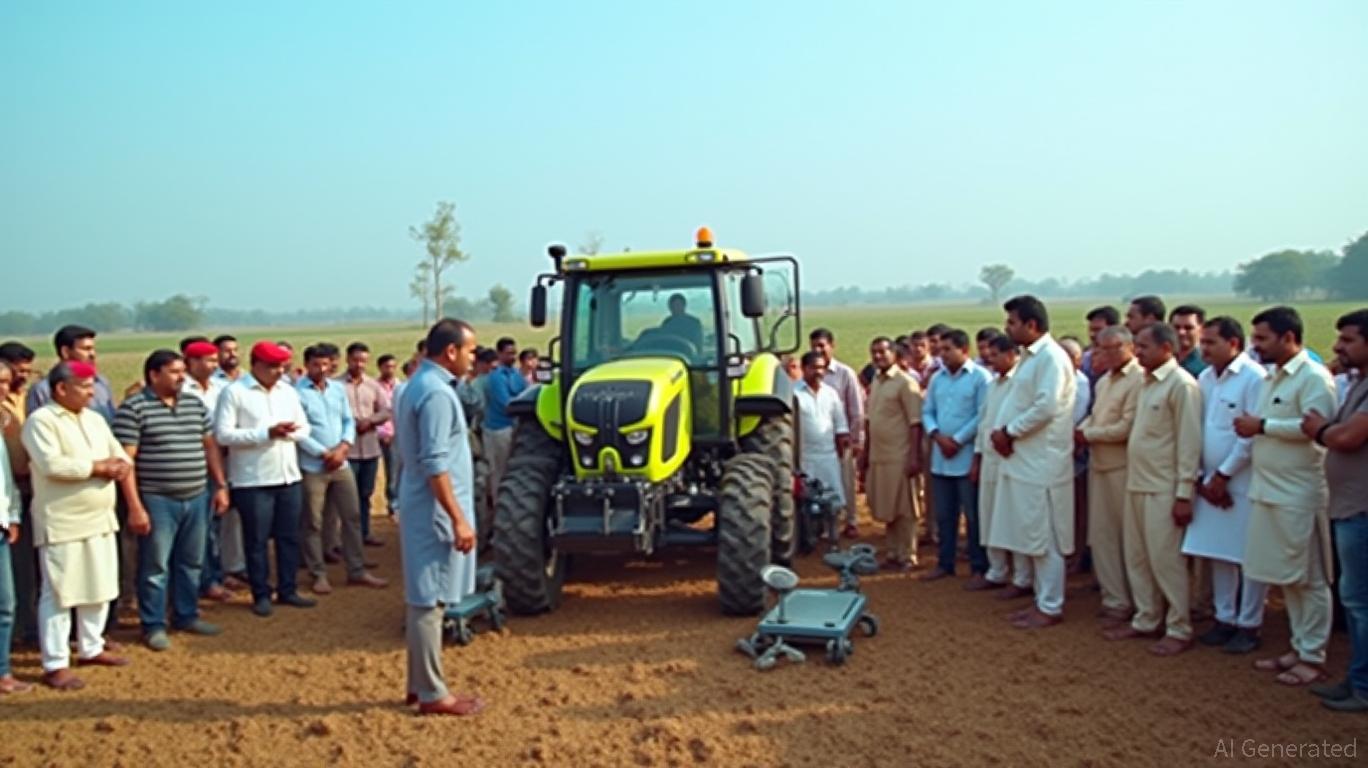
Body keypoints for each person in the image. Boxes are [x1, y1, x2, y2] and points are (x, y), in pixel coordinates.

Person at [1235, 306, 1337, 686]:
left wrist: (1262, 425)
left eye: (1262, 338)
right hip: (1269, 490)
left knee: (1309, 577)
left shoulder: (1314, 378)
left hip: (1299, 492)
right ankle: (1298, 646)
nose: (1255, 346)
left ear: (1288, 338)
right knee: (1286, 575)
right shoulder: (1271, 377)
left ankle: (1314, 655)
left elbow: (1315, 426)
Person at [22, 361, 132, 689]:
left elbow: (120, 455)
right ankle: (54, 662)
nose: (91, 392)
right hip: (63, 520)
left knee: (99, 585)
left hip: (100, 518)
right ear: (61, 389)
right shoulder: (41, 421)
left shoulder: (95, 419)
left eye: (91, 386)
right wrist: (98, 467)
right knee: (59, 592)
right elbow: (52, 465)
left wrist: (119, 467)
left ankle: (91, 646)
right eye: (84, 386)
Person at [395, 319, 484, 716]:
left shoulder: (418, 384)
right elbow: (434, 462)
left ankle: (418, 685)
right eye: (469, 351)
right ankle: (432, 693)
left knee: (424, 599)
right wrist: (458, 518)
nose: (472, 358)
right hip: (435, 509)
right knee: (430, 602)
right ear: (450, 352)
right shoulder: (435, 394)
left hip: (425, 504)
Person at [114, 350, 230, 650]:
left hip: (196, 495)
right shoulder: (134, 408)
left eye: (182, 371)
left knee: (191, 562)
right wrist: (135, 506)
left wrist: (219, 485)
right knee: (155, 566)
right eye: (174, 372)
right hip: (157, 499)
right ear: (154, 375)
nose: (182, 377)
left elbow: (209, 447)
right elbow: (126, 462)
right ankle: (153, 624)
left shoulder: (194, 405)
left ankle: (186, 614)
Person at [1100, 324, 1201, 656]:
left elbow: (1189, 443)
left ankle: (1179, 626)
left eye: (1143, 346)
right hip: (1137, 482)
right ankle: (1146, 618)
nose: (1138, 351)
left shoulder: (1182, 385)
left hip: (1165, 486)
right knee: (1138, 556)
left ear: (1167, 349)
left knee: (1166, 560)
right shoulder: (1145, 383)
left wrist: (1184, 493)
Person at [988, 295, 1076, 630]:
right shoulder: (1030, 358)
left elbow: (1046, 406)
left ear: (1032, 325)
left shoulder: (1051, 358)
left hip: (1043, 463)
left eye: (1012, 322)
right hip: (1024, 462)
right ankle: (1041, 600)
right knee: (1030, 535)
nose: (1007, 328)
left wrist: (1010, 431)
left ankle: (1051, 606)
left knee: (1046, 538)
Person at [1181, 317, 1268, 654]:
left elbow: (1249, 437)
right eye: (1203, 343)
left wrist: (1224, 474)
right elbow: (1200, 430)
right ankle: (1224, 617)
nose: (1204, 349)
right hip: (1209, 483)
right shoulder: (1205, 378)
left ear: (1234, 343)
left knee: (1247, 555)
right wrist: (1205, 477)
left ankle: (1250, 623)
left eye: (1211, 343)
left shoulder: (1253, 378)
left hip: (1241, 481)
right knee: (1218, 553)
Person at [214, 341, 318, 617]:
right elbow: (223, 434)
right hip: (253, 479)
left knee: (288, 537)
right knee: (257, 540)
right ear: (255, 364)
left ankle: (288, 588)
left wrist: (290, 433)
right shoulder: (234, 393)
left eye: (282, 366)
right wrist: (265, 434)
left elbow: (305, 426)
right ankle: (261, 593)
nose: (278, 371)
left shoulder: (288, 391)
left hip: (288, 475)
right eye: (273, 366)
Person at [1301, 308, 1368, 711]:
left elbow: (1347, 437)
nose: (1336, 346)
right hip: (1349, 507)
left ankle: (1363, 685)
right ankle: (1358, 678)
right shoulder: (1358, 383)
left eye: (1348, 340)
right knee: (1356, 599)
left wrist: (1319, 431)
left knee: (1360, 602)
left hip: (1361, 509)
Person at [296, 344, 387, 595]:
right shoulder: (297, 393)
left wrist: (344, 446)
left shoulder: (336, 390)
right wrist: (323, 453)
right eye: (316, 364)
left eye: (326, 364)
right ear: (307, 365)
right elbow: (298, 431)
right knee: (313, 521)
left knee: (352, 516)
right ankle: (318, 573)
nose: (322, 369)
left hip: (342, 462)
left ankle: (356, 570)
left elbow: (347, 420)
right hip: (314, 465)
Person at [1076, 326, 1143, 624]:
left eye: (1112, 348)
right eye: (1100, 348)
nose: (1104, 354)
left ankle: (1138, 602)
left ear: (1129, 347)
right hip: (1099, 465)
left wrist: (1088, 434)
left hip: (1123, 467)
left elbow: (1127, 428)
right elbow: (1096, 414)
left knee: (1129, 538)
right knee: (1102, 536)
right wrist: (1082, 429)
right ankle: (1114, 598)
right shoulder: (1103, 382)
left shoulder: (1139, 380)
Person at [921, 330, 990, 582]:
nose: (942, 354)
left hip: (966, 456)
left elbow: (982, 415)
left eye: (948, 349)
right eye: (941, 350)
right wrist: (937, 435)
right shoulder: (937, 379)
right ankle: (944, 563)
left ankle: (979, 567)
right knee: (944, 515)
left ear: (964, 350)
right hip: (941, 457)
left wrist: (958, 439)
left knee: (973, 516)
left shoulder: (981, 378)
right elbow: (927, 411)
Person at [968, 336, 1027, 593]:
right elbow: (984, 424)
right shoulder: (993, 385)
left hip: (1011, 460)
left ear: (1012, 354)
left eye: (995, 354)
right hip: (989, 460)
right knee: (989, 516)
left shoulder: (1020, 384)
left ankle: (1022, 577)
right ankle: (997, 570)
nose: (990, 359)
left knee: (1014, 519)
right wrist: (977, 458)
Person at [860, 337, 923, 573]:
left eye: (882, 352)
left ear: (895, 354)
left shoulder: (905, 383)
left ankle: (909, 555)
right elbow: (869, 422)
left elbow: (915, 424)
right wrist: (865, 454)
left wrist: (914, 457)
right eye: (874, 352)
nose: (877, 356)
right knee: (888, 508)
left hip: (901, 455)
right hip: (879, 455)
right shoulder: (876, 381)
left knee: (906, 508)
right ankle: (894, 553)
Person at [809, 329, 866, 539]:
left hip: (842, 439)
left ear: (832, 346)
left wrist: (855, 439)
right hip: (817, 441)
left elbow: (856, 410)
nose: (818, 350)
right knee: (819, 481)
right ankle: (822, 523)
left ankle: (851, 521)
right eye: (814, 345)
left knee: (846, 480)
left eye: (822, 345)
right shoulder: (810, 372)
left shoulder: (845, 373)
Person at [0, 342, 38, 647]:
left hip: (28, 493)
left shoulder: (30, 396)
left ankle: (29, 626)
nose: (23, 374)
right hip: (8, 495)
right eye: (18, 369)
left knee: (29, 566)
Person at [341, 342, 391, 547]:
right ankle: (346, 538)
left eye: (363, 361)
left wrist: (370, 421)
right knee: (346, 498)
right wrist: (351, 424)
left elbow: (386, 410)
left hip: (370, 448)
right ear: (347, 360)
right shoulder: (336, 386)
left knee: (365, 493)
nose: (360, 364)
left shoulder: (373, 386)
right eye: (356, 360)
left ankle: (364, 532)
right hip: (348, 450)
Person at [795, 352, 850, 533]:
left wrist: (843, 448)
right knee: (807, 499)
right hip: (805, 457)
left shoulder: (831, 393)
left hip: (828, 456)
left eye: (821, 368)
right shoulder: (794, 393)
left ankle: (831, 533)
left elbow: (840, 424)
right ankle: (809, 533)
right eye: (813, 368)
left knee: (832, 499)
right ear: (804, 369)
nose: (818, 372)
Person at [0, 373, 29, 694]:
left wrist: (11, 514)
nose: (3, 387)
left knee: (5, 604)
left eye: (5, 381)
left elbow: (5, 480)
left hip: (3, 525)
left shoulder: (3, 428)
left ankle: (3, 671)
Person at [25, 325, 117, 423]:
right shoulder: (43, 390)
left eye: (93, 349)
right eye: (86, 349)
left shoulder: (101, 383)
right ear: (65, 352)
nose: (92, 354)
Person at [482, 337, 526, 508]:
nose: (512, 357)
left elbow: (526, 394)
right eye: (508, 354)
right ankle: (498, 508)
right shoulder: (495, 377)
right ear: (499, 354)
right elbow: (506, 403)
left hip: (515, 427)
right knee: (499, 472)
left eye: (514, 353)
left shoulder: (516, 375)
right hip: (499, 429)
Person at [376, 353, 401, 516]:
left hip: (397, 434)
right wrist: (383, 432)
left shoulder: (400, 386)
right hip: (378, 434)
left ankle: (394, 503)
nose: (390, 370)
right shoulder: (374, 386)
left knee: (395, 469)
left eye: (393, 366)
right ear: (380, 367)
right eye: (387, 367)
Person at [1081, 306, 1120, 385]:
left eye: (1098, 330)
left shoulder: (1122, 363)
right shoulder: (1085, 358)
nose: (1092, 335)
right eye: (1091, 330)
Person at [1170, 305, 1208, 378]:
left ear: (1202, 329)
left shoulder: (1207, 363)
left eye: (1188, 328)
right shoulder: (1160, 359)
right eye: (1176, 327)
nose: (1181, 332)